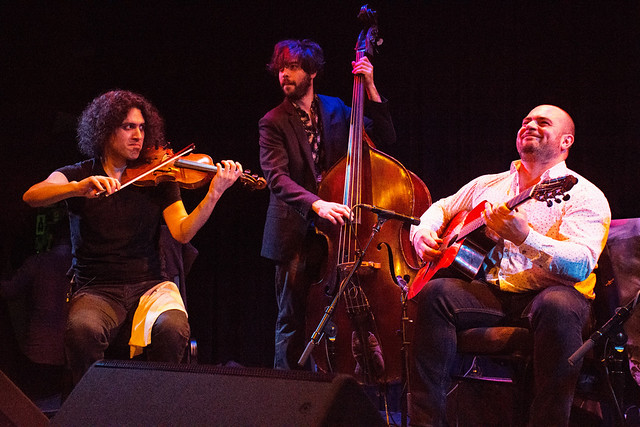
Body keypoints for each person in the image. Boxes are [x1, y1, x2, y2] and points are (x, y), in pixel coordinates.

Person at [408, 105, 611, 426]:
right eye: (526, 121)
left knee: (556, 304)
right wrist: (422, 234)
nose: (530, 125)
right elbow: (441, 208)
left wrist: (525, 237)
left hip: (555, 297)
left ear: (566, 141)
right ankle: (426, 421)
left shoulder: (583, 194)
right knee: (435, 293)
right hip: (494, 294)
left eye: (543, 122)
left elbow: (581, 264)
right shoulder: (489, 184)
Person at [22, 90, 243, 385]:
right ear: (104, 130)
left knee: (174, 327)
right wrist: (77, 188)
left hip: (150, 285)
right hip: (97, 289)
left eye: (141, 127)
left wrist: (213, 195)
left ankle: (154, 402)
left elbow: (182, 231)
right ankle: (96, 404)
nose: (138, 135)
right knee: (82, 330)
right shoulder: (80, 173)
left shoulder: (160, 176)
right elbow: (32, 195)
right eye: (128, 127)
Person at [259, 39, 396, 370]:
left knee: (334, 316)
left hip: (336, 233)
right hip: (294, 232)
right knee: (291, 320)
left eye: (293, 67)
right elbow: (277, 178)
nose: (284, 74)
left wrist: (370, 86)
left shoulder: (336, 109)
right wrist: (316, 204)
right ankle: (284, 393)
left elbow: (385, 138)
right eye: (281, 68)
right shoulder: (272, 121)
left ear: (312, 72)